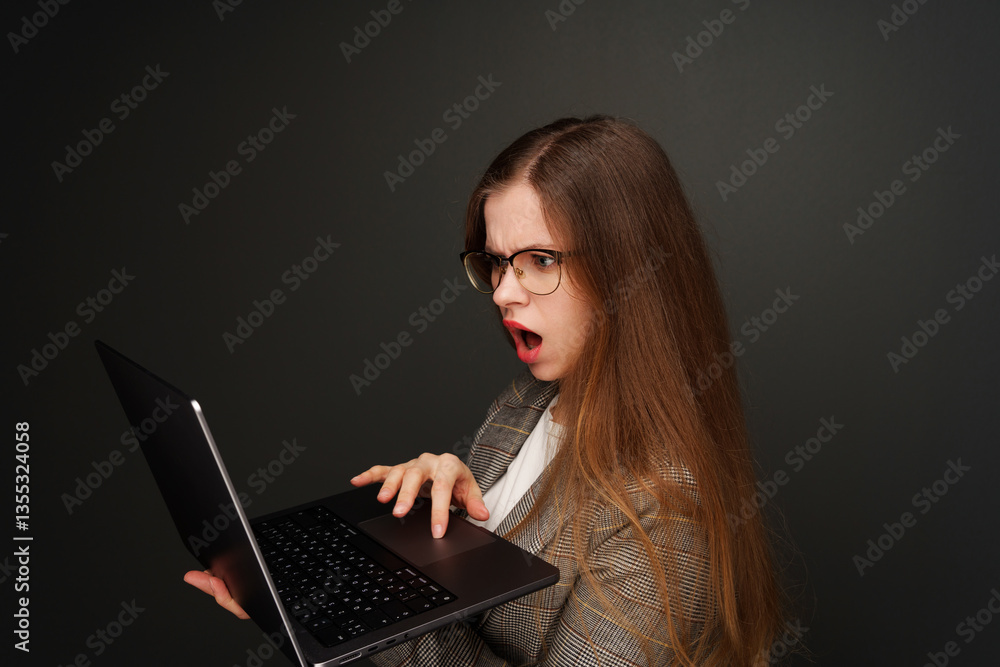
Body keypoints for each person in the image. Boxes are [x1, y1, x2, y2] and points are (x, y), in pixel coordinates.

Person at [186, 115, 787, 665]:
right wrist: (420, 531)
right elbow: (471, 603)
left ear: (630, 270)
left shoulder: (665, 508)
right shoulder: (523, 407)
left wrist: (375, 595)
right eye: (498, 263)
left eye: (541, 261)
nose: (503, 293)